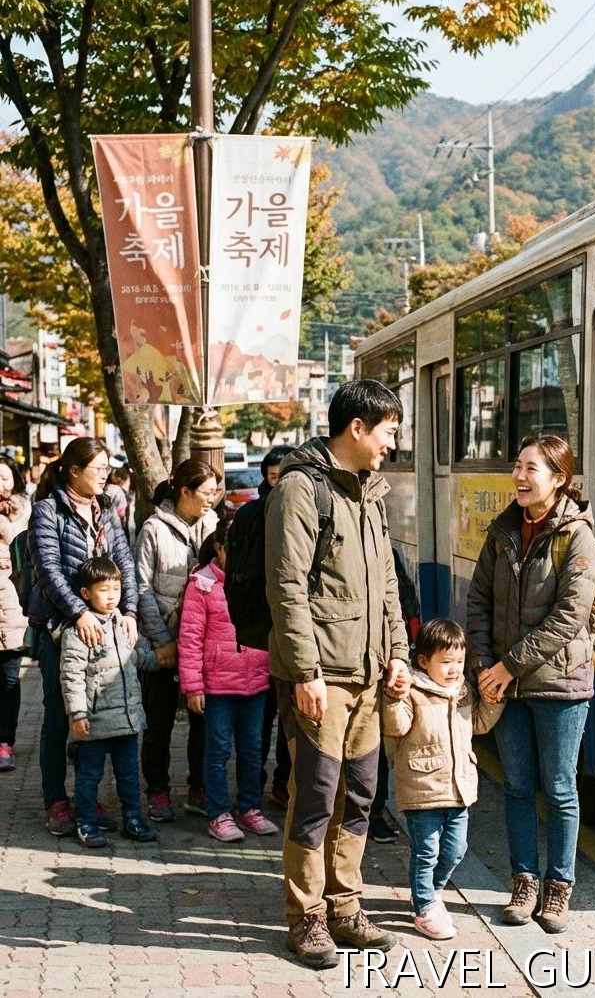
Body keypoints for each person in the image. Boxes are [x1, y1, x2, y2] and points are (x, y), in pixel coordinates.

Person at [265, 379, 412, 969]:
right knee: (315, 798)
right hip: (322, 677)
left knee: (359, 796)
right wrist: (306, 672)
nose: (392, 444)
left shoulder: (370, 492)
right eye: (388, 432)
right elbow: (287, 588)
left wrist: (398, 653)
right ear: (357, 427)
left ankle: (346, 906)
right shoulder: (301, 489)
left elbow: (387, 585)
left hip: (370, 675)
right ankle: (307, 917)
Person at [466, 433, 595, 935]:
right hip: (505, 685)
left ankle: (558, 886)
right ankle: (523, 882)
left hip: (559, 685)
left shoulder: (578, 536)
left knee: (560, 788)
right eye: (518, 466)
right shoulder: (502, 531)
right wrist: (484, 665)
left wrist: (506, 667)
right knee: (518, 787)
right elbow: (478, 601)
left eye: (531, 469)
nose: (520, 477)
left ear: (559, 479)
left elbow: (568, 617)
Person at [26, 437, 139, 836]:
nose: (104, 476)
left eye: (107, 469)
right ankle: (56, 800)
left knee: (96, 717)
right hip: (61, 630)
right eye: (98, 469)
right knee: (60, 716)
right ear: (73, 471)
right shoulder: (47, 511)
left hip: (107, 629)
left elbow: (124, 562)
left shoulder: (105, 510)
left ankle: (87, 798)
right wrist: (79, 612)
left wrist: (130, 611)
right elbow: (48, 569)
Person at [381, 618, 503, 940]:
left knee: (455, 850)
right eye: (446, 662)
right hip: (422, 789)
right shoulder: (413, 691)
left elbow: (477, 725)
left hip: (459, 789)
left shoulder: (462, 691)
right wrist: (394, 698)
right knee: (427, 852)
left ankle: (431, 893)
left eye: (459, 662)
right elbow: (396, 727)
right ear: (423, 662)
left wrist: (494, 701)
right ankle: (424, 907)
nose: (454, 669)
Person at [178, 518, 278, 842]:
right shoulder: (202, 585)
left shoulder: (259, 581)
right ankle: (218, 813)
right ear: (218, 548)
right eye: (234, 547)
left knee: (253, 749)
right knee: (218, 750)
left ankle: (250, 807)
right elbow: (189, 640)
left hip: (256, 681)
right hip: (217, 686)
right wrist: (193, 686)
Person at [134, 458, 219, 824]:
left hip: (204, 645)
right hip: (163, 643)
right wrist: (162, 641)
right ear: (185, 491)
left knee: (204, 719)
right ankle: (157, 790)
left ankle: (199, 788)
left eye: (215, 493)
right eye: (206, 492)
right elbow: (140, 589)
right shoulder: (153, 529)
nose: (211, 500)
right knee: (159, 721)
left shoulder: (213, 525)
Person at [59, 556, 159, 847]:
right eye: (104, 590)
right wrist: (78, 714)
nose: (112, 595)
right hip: (96, 722)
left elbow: (138, 658)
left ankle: (133, 819)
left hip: (127, 720)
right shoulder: (79, 632)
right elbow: (71, 676)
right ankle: (87, 822)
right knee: (89, 776)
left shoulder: (124, 624)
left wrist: (165, 659)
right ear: (85, 593)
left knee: (128, 774)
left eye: (116, 588)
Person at [240, 446, 293, 810]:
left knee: (291, 721)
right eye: (275, 478)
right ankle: (251, 788)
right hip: (259, 636)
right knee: (259, 721)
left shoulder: (304, 511)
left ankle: (283, 785)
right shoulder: (250, 515)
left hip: (290, 637)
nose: (280, 484)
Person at [368, 547, 421, 844]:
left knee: (377, 746)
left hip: (388, 666)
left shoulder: (386, 553)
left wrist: (403, 657)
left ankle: (375, 813)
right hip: (356, 665)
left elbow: (406, 609)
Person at [0, 456, 31, 772]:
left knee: (10, 679)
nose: (1, 483)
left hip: (11, 609)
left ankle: (5, 741)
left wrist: (6, 524)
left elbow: (22, 554)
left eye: (5, 477)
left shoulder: (24, 510)